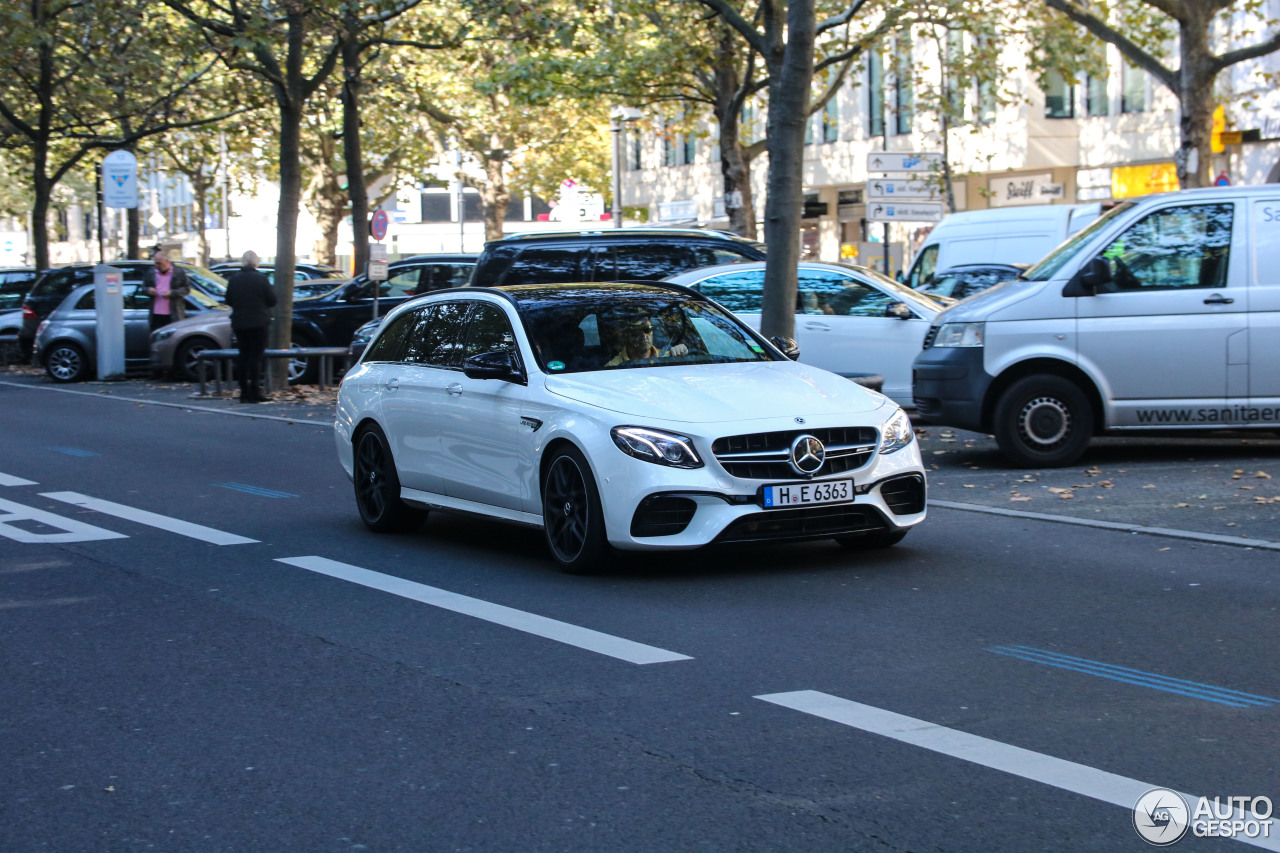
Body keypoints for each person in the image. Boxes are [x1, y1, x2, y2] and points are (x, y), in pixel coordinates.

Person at [222, 250, 277, 403]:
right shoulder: (261, 279)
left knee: (243, 356)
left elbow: (229, 299)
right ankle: (255, 389)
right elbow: (272, 300)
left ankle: (243, 391)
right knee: (256, 357)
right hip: (259, 322)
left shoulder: (234, 279)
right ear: (255, 262)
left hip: (239, 322)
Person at [605, 315, 688, 366]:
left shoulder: (666, 356)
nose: (644, 336)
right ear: (628, 336)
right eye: (637, 331)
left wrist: (681, 352)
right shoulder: (614, 366)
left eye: (647, 330)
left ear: (652, 332)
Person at [142, 250, 191, 332]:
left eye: (159, 263)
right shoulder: (151, 272)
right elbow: (143, 288)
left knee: (173, 339)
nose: (157, 266)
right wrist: (149, 290)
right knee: (156, 339)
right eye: (155, 263)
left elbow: (187, 289)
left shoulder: (178, 272)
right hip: (155, 315)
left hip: (173, 315)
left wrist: (172, 293)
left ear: (167, 261)